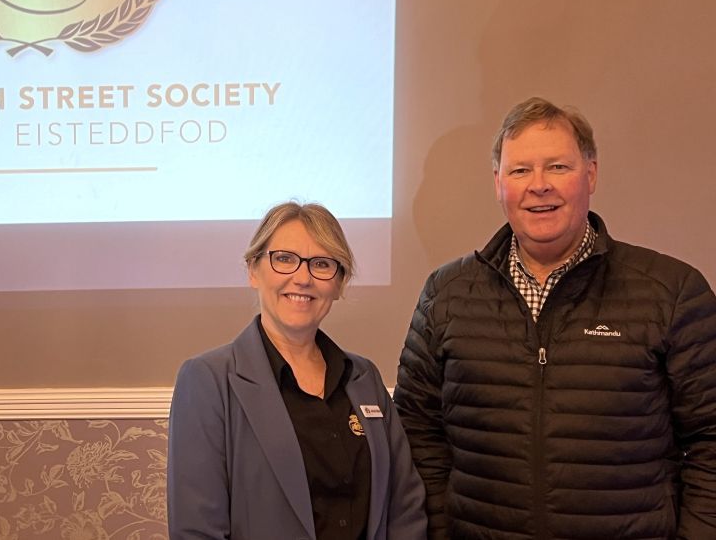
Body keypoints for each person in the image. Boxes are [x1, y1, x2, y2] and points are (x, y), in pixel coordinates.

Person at [394, 97, 716, 539]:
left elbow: (710, 439)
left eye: (558, 167)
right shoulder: (446, 294)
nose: (539, 185)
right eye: (520, 170)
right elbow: (417, 431)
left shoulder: (671, 292)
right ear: (498, 183)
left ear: (591, 174)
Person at [168, 202, 427, 540]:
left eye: (322, 264)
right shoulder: (207, 381)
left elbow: (405, 507)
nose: (303, 278)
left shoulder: (364, 379)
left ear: (339, 284)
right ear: (253, 270)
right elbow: (197, 531)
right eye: (285, 259)